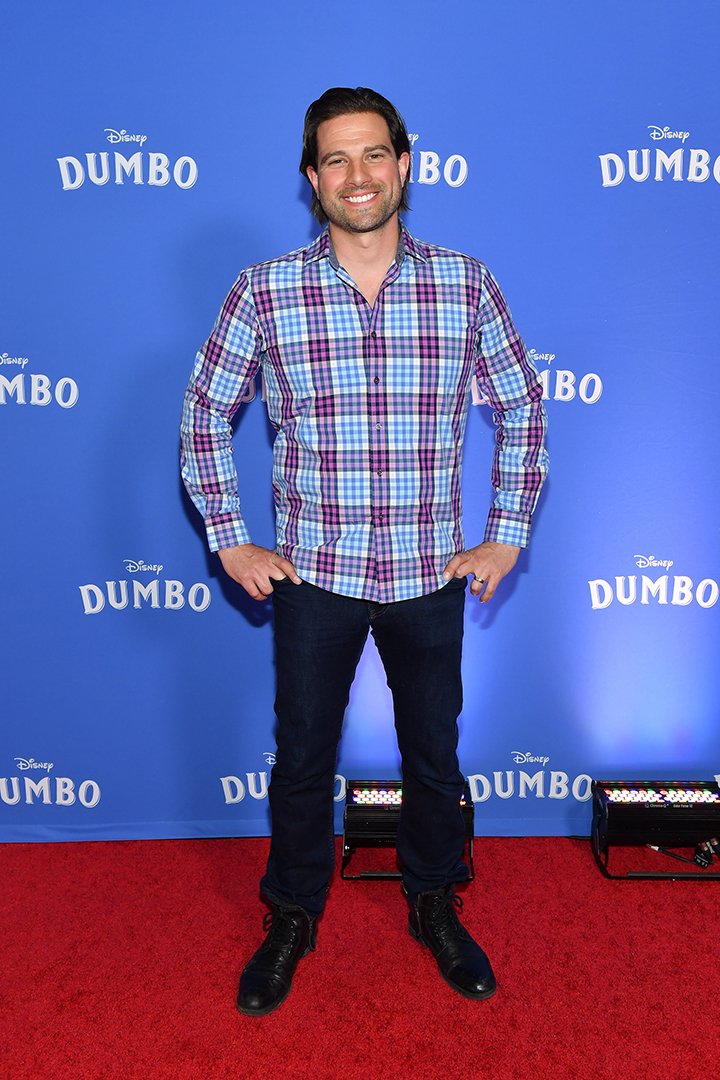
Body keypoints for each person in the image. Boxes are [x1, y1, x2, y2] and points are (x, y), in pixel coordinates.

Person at [181, 86, 548, 1016]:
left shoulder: (464, 282)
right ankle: (293, 915)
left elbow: (522, 407)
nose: (358, 175)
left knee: (434, 754)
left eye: (374, 154)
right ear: (313, 179)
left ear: (405, 165)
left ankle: (434, 902)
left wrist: (506, 529)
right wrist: (229, 538)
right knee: (302, 756)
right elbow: (202, 417)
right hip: (315, 574)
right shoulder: (265, 290)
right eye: (336, 159)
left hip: (430, 572)